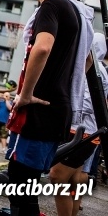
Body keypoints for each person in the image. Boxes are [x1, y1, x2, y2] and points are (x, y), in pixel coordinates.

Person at [5, 0, 82, 215]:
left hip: (41, 108)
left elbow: (42, 48)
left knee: (22, 180)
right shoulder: (71, 10)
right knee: (22, 178)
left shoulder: (51, 6)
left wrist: (25, 94)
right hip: (55, 108)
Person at [49, 33, 108, 216]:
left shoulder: (96, 73)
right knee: (74, 180)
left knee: (57, 178)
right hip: (85, 132)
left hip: (81, 132)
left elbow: (87, 105)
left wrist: (60, 104)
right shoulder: (94, 69)